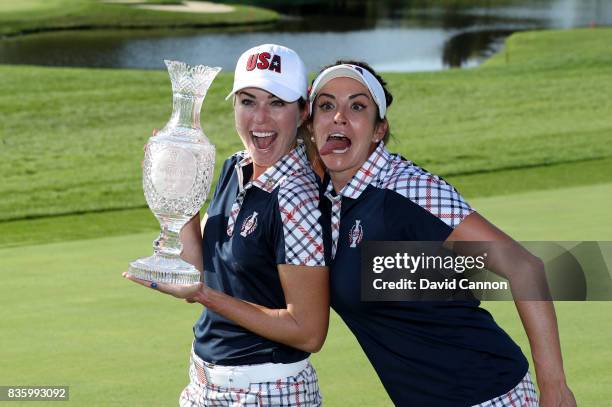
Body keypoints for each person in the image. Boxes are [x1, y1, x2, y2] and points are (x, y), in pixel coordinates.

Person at [306, 60, 577, 406]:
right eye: (326, 106)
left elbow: (524, 267)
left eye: (357, 106)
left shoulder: (409, 189)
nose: (339, 116)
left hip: (486, 396)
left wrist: (554, 388)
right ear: (312, 125)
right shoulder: (330, 201)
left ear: (379, 129)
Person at [124, 44, 329, 407]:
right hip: (205, 385)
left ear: (302, 111)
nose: (260, 119)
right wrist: (180, 193)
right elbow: (198, 270)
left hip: (268, 392)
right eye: (248, 101)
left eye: (277, 103)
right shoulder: (234, 168)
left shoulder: (296, 197)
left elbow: (308, 332)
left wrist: (204, 296)